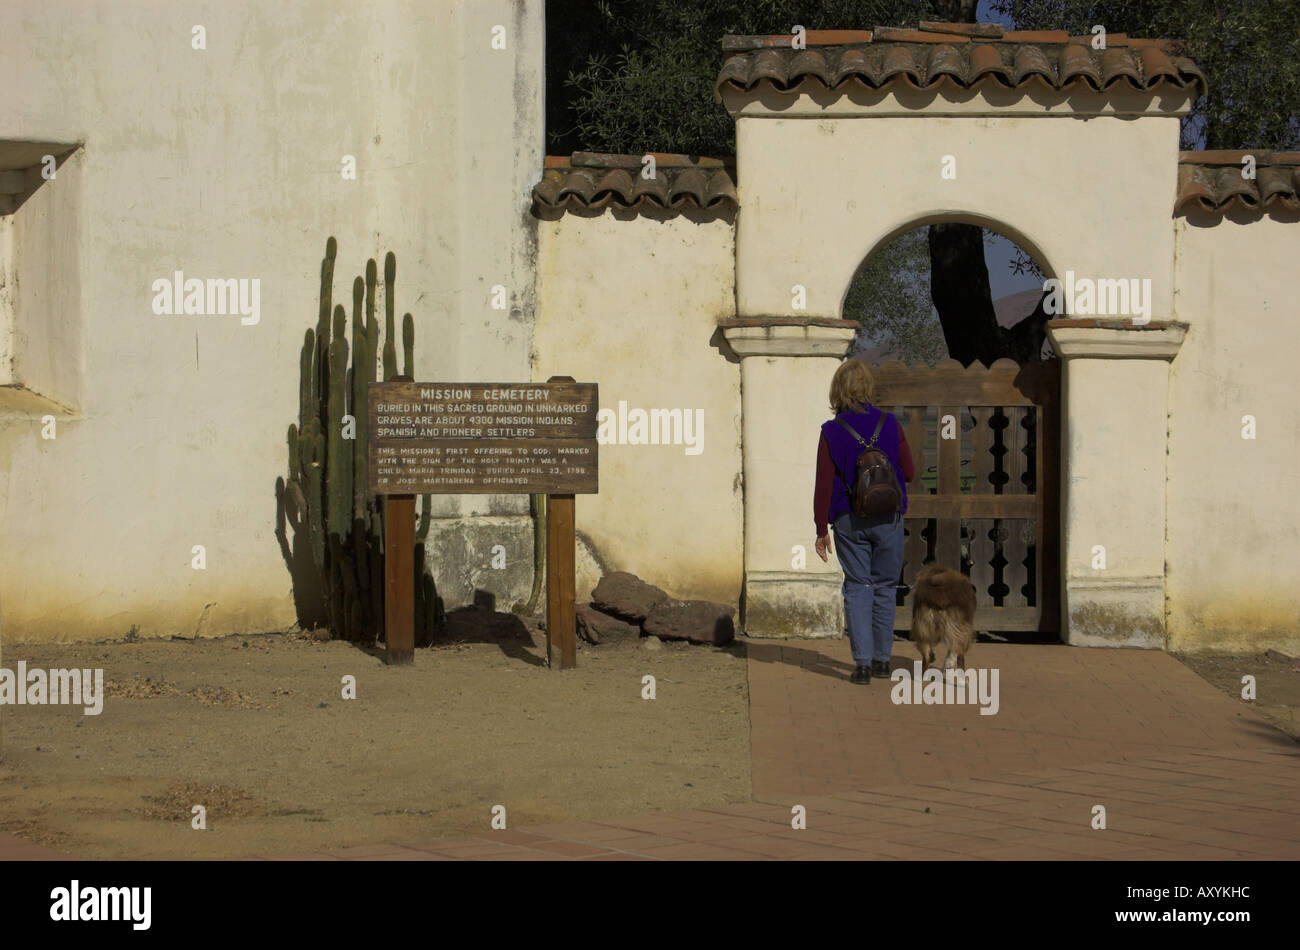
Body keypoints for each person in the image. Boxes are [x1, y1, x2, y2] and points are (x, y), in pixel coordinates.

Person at [813, 359, 915, 684]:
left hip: (849, 518)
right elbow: (910, 471)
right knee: (885, 587)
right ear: (868, 387)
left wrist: (820, 528)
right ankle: (883, 661)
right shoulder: (890, 423)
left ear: (837, 390)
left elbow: (823, 485)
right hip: (888, 517)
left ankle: (863, 666)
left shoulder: (831, 431)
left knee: (858, 587)